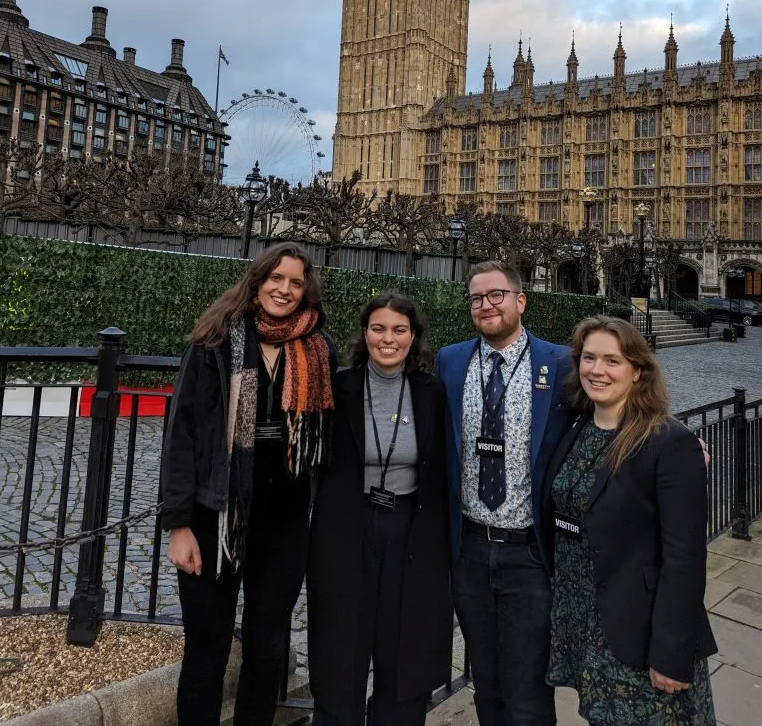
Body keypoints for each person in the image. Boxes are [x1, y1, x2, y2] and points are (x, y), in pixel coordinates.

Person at [161, 242, 337, 726]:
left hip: (283, 522)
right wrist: (179, 526)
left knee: (267, 646)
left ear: (307, 291)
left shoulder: (319, 350)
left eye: (295, 282)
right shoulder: (214, 343)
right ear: (257, 281)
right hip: (214, 515)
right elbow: (181, 436)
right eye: (275, 278)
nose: (284, 289)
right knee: (206, 647)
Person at [543, 315, 717, 725]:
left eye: (611, 360)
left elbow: (685, 557)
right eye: (588, 358)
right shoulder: (579, 427)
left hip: (637, 631)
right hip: (584, 623)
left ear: (638, 371)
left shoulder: (667, 441)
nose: (596, 370)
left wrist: (671, 651)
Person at [434, 260, 573, 726]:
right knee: (487, 684)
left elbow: (614, 408)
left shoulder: (560, 363)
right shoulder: (450, 361)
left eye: (496, 295)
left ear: (520, 300)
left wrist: (669, 438)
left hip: (528, 553)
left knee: (529, 691)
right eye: (477, 298)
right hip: (470, 550)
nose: (486, 305)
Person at [307, 292, 452, 726]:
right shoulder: (339, 385)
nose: (388, 339)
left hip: (409, 530)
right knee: (341, 643)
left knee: (403, 644)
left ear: (414, 337)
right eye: (378, 329)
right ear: (364, 333)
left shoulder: (431, 392)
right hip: (347, 528)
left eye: (399, 330)